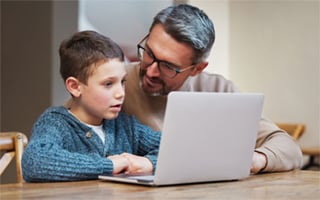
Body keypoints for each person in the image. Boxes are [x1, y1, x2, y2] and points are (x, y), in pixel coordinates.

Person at [122, 4, 303, 174]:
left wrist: (255, 160)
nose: (151, 70)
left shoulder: (217, 89)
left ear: (197, 69)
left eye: (168, 66)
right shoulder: (113, 82)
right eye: (149, 53)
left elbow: (289, 148)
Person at [22, 30, 161, 182]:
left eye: (122, 82)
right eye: (108, 84)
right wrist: (108, 166)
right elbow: (35, 161)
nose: (120, 93)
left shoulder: (126, 126)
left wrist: (149, 163)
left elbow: (175, 147)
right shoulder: (56, 123)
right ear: (75, 87)